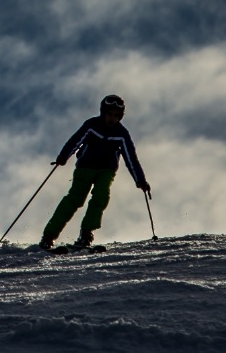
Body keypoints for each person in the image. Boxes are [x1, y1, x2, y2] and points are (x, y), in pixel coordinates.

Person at [38, 94, 151, 249]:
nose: (112, 119)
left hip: (106, 170)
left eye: (116, 116)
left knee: (101, 196)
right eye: (109, 114)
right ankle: (49, 236)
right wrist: (63, 157)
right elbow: (76, 140)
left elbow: (131, 158)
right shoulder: (92, 125)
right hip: (85, 167)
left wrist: (140, 180)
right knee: (74, 200)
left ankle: (86, 233)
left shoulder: (121, 134)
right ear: (103, 112)